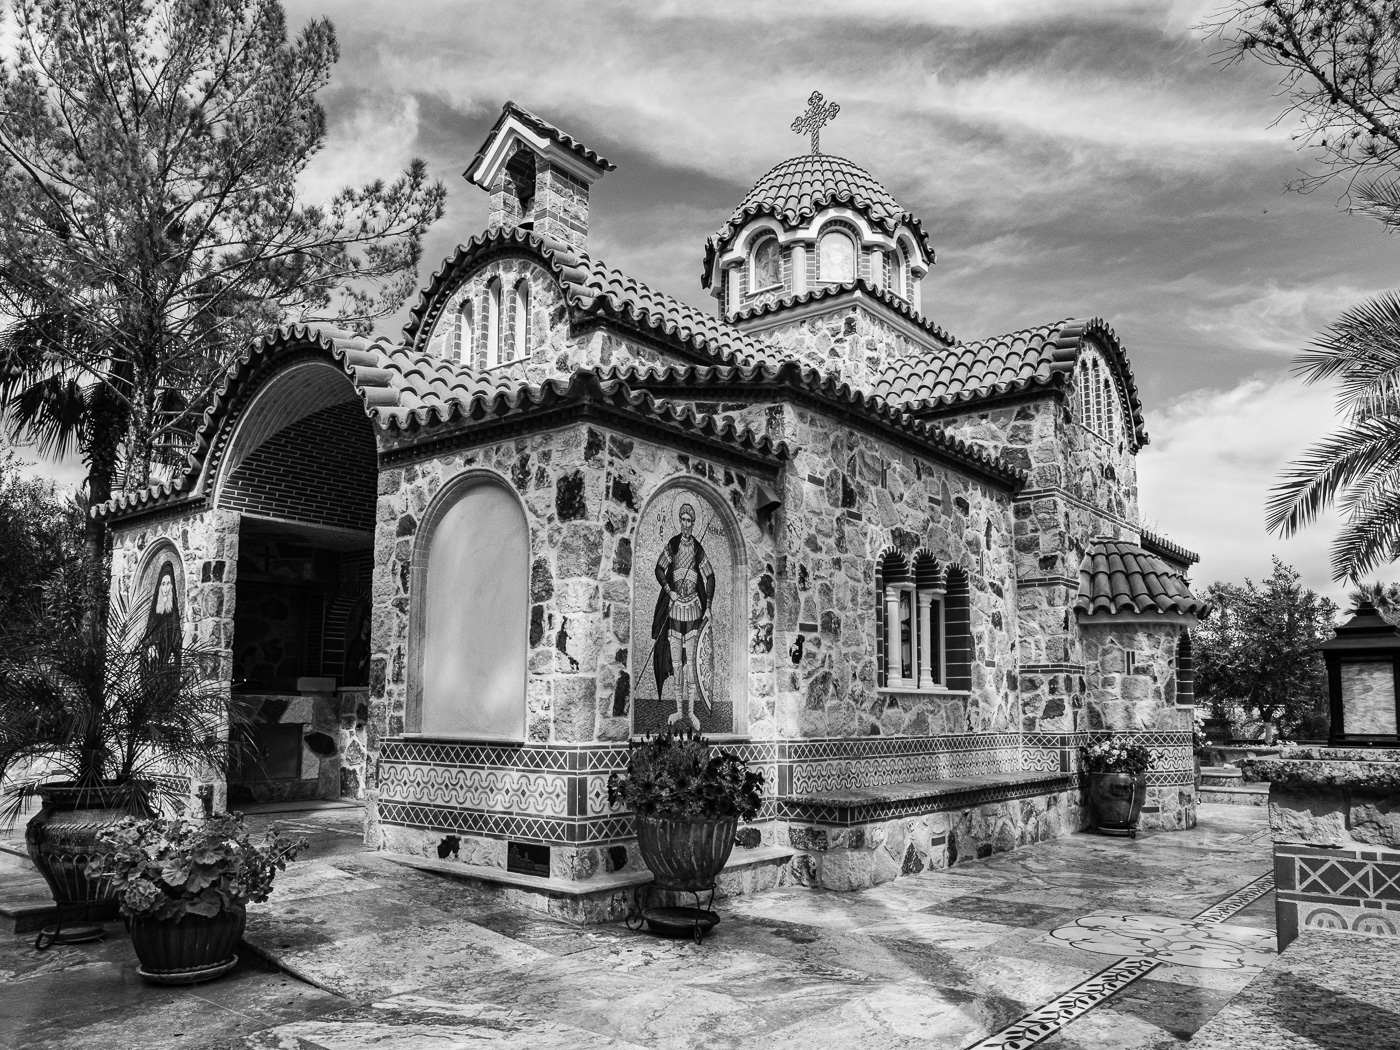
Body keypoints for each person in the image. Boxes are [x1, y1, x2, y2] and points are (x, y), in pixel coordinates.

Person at [651, 502, 715, 728]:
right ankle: (678, 711)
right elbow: (659, 569)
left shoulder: (698, 549)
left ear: (694, 523)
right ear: (680, 521)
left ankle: (691, 713)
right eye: (684, 520)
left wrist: (708, 605)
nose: (687, 525)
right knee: (677, 664)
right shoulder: (673, 545)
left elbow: (710, 576)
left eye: (690, 521)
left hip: (694, 611)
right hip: (676, 609)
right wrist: (670, 592)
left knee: (691, 667)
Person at [141, 562, 182, 680]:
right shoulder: (155, 614)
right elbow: (148, 637)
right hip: (154, 660)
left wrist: (174, 653)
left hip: (168, 659)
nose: (165, 588)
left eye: (168, 584)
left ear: (172, 587)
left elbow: (177, 639)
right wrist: (150, 647)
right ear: (159, 587)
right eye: (163, 584)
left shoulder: (173, 614)